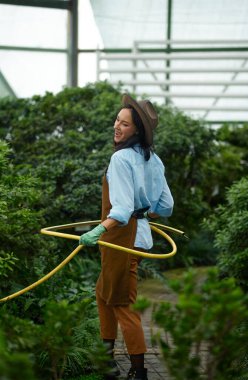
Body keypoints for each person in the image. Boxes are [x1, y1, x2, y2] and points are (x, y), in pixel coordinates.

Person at [79, 94, 174, 380]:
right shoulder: (153, 160)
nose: (117, 127)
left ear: (137, 131)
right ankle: (106, 360)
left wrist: (99, 229)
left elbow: (120, 210)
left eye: (124, 124)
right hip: (133, 237)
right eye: (117, 121)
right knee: (103, 294)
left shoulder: (120, 159)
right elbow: (165, 207)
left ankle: (138, 370)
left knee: (122, 302)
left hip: (120, 239)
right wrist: (142, 214)